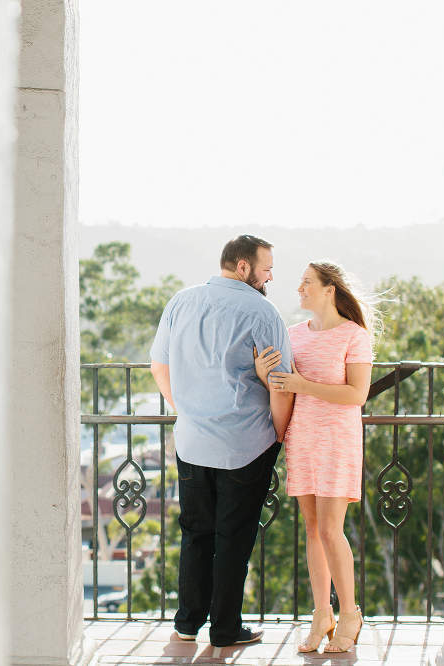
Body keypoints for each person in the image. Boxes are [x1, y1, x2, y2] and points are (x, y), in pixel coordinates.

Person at [149, 234, 294, 648]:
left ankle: (187, 623)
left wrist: (188, 410)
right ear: (244, 267)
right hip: (244, 445)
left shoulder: (181, 300)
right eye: (266, 269)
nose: (270, 278)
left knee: (196, 533)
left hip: (192, 441)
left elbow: (159, 366)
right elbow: (281, 385)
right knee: (233, 537)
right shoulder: (264, 313)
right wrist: (279, 437)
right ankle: (226, 629)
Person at [254, 260, 378, 654]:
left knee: (330, 530)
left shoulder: (354, 336)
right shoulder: (292, 334)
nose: (299, 289)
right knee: (311, 529)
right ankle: (321, 613)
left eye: (307, 282)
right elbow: (283, 386)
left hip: (337, 440)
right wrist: (263, 374)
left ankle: (351, 614)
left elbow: (357, 395)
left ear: (329, 289)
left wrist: (303, 384)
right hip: (302, 438)